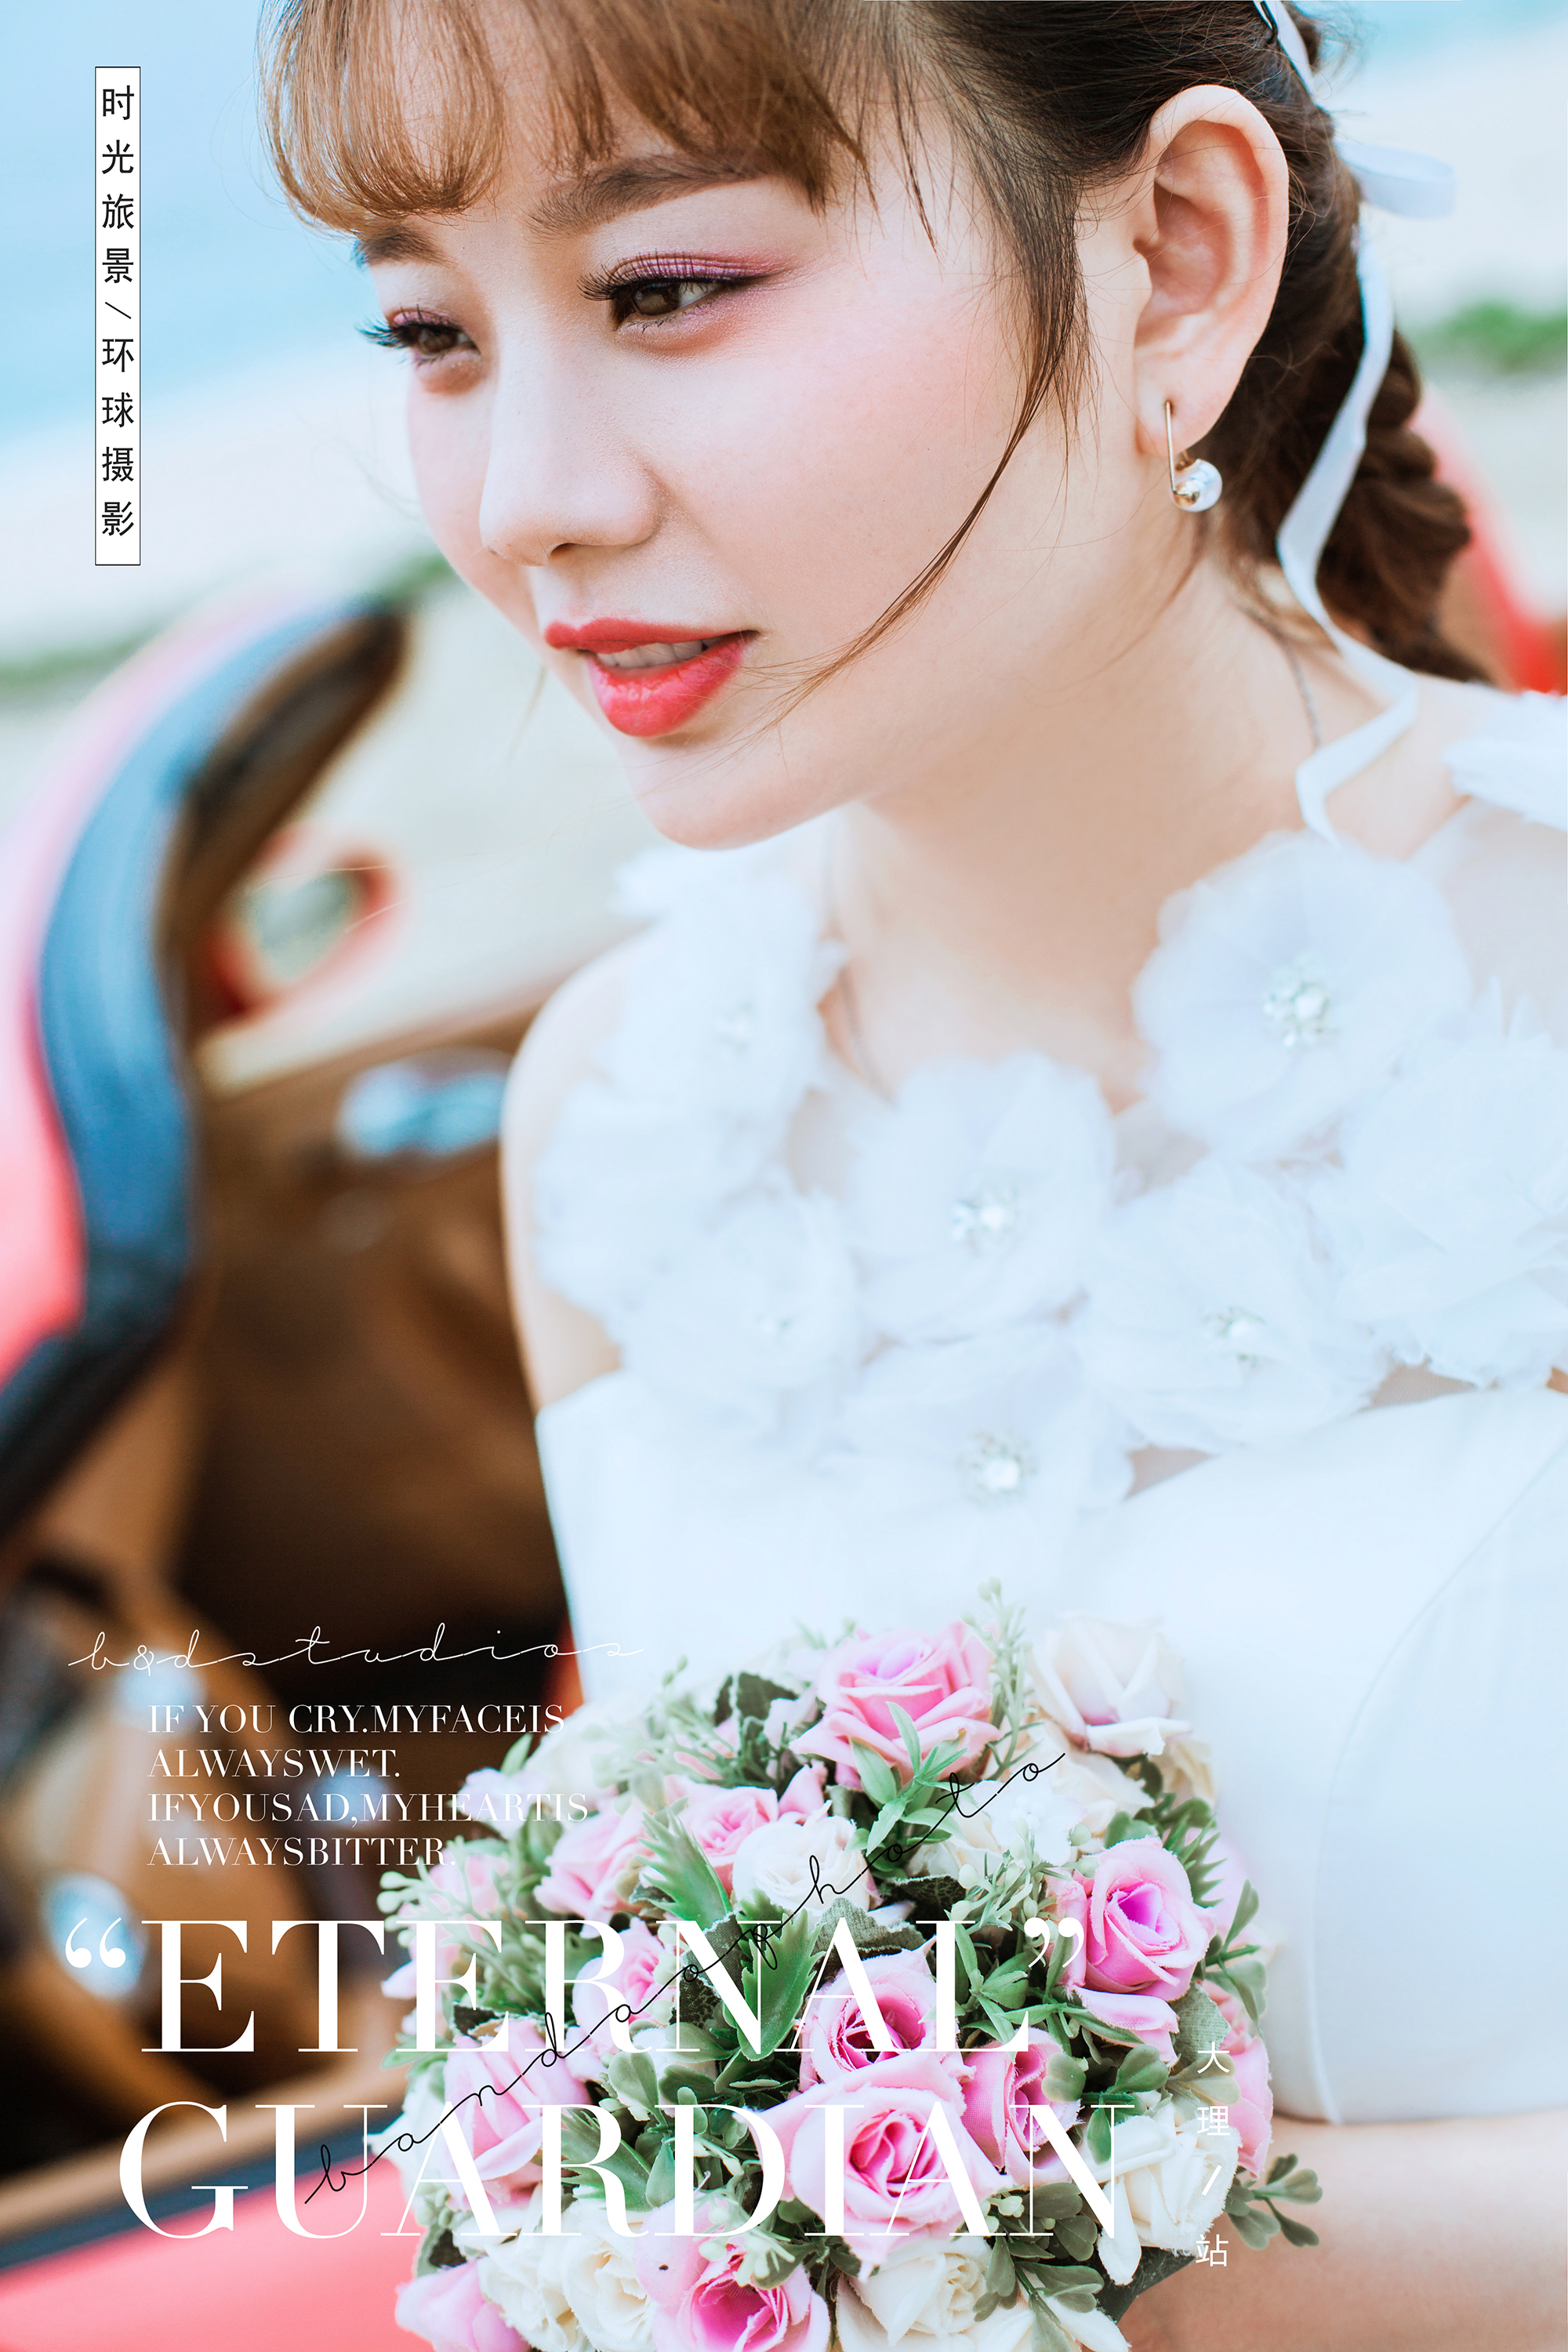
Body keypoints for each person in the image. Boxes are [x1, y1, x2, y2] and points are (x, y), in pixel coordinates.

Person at [264, 2, 1566, 2343]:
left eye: (665, 287)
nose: (523, 501)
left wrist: (1023, 2227)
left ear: (1174, 256)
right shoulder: (621, 1121)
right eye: (431, 333)